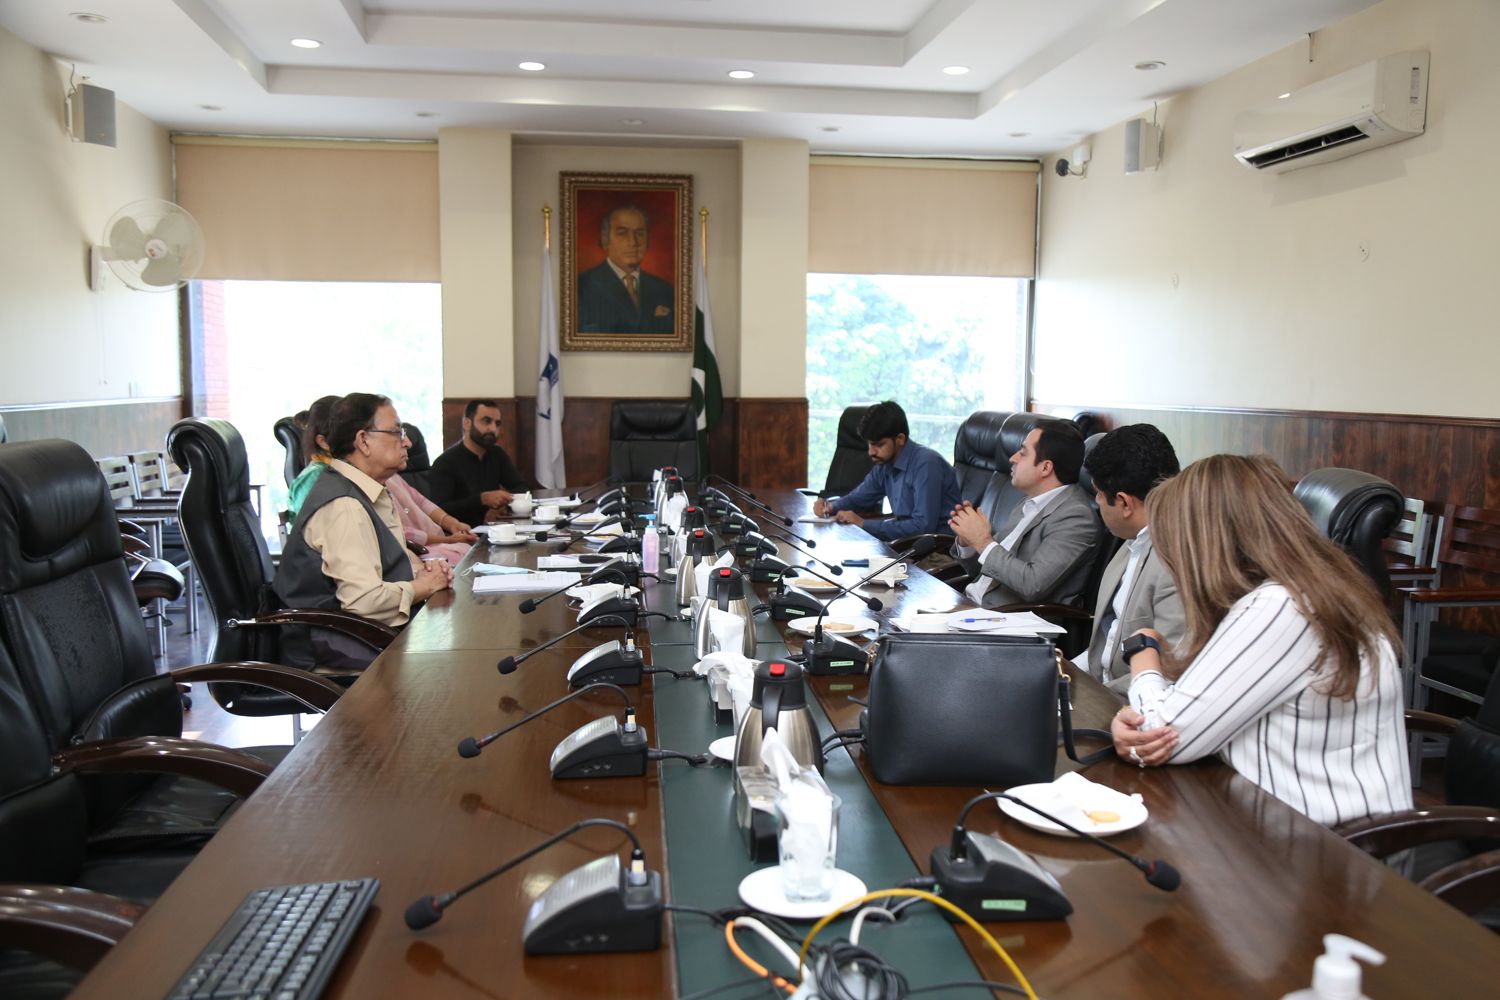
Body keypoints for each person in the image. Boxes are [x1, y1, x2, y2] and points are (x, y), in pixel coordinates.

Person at [1111, 454, 1412, 826]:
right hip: (1279, 818)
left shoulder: (1283, 607)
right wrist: (1142, 708)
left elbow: (1158, 735)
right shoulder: (1305, 589)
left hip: (1336, 845)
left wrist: (1142, 652)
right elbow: (1188, 703)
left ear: (1205, 546)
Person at [274, 393, 452, 667]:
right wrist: (424, 585)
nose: (407, 442)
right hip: (337, 642)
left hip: (364, 634)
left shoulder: (365, 489)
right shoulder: (344, 506)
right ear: (363, 441)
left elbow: (384, 560)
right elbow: (364, 602)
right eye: (396, 432)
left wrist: (423, 570)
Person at [949, 421, 1099, 608]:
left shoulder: (1076, 518)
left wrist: (983, 542)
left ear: (1045, 468)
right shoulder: (1028, 502)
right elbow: (989, 569)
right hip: (972, 604)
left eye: (1023, 452)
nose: (1013, 458)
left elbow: (1032, 585)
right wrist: (969, 542)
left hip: (1007, 618)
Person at [1079, 424, 1185, 690]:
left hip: (1130, 702)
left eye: (1098, 494)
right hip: (1100, 687)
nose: (1097, 502)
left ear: (1125, 503)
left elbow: (1169, 670)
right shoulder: (1134, 540)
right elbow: (1108, 644)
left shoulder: (1177, 562)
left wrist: (1093, 698)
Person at [812, 401, 960, 542]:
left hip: (938, 549)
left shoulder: (926, 464)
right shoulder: (885, 465)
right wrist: (831, 507)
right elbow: (858, 498)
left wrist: (863, 524)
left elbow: (922, 526)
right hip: (907, 544)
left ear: (900, 439)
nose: (871, 452)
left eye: (879, 444)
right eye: (869, 444)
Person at [576, 203, 675, 334]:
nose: (633, 242)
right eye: (622, 233)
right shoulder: (581, 287)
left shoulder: (665, 290)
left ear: (648, 239)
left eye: (640, 233)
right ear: (605, 239)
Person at [427, 399, 528, 526]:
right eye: (486, 421)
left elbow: (521, 487)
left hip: (496, 528)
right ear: (467, 424)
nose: (493, 428)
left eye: (497, 423)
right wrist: (481, 500)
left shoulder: (497, 454)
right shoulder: (445, 463)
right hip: (461, 531)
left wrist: (503, 505)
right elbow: (439, 509)